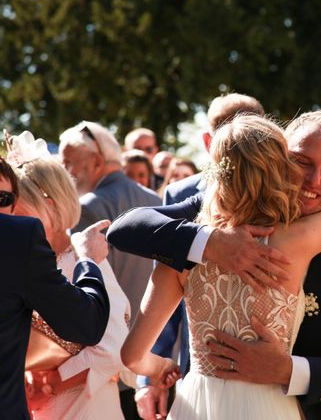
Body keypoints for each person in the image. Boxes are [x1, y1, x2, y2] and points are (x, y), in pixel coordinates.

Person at [108, 110, 321, 419]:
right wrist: (211, 242)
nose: (313, 181)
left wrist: (289, 371)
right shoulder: (290, 240)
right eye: (302, 162)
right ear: (280, 161)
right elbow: (126, 226)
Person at [133, 93, 265, 419]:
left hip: (270, 373)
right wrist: (149, 379)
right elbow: (165, 281)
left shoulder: (287, 197)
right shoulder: (187, 194)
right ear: (209, 142)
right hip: (199, 372)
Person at [4, 131, 130, 419]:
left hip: (86, 408)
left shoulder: (83, 258)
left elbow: (114, 347)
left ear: (49, 205)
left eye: (19, 212)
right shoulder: (29, 263)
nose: (10, 221)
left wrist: (52, 382)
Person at [58, 121, 161, 418]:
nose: (65, 172)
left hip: (107, 360)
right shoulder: (155, 199)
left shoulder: (87, 207)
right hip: (151, 355)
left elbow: (83, 284)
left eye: (68, 163)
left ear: (97, 162)